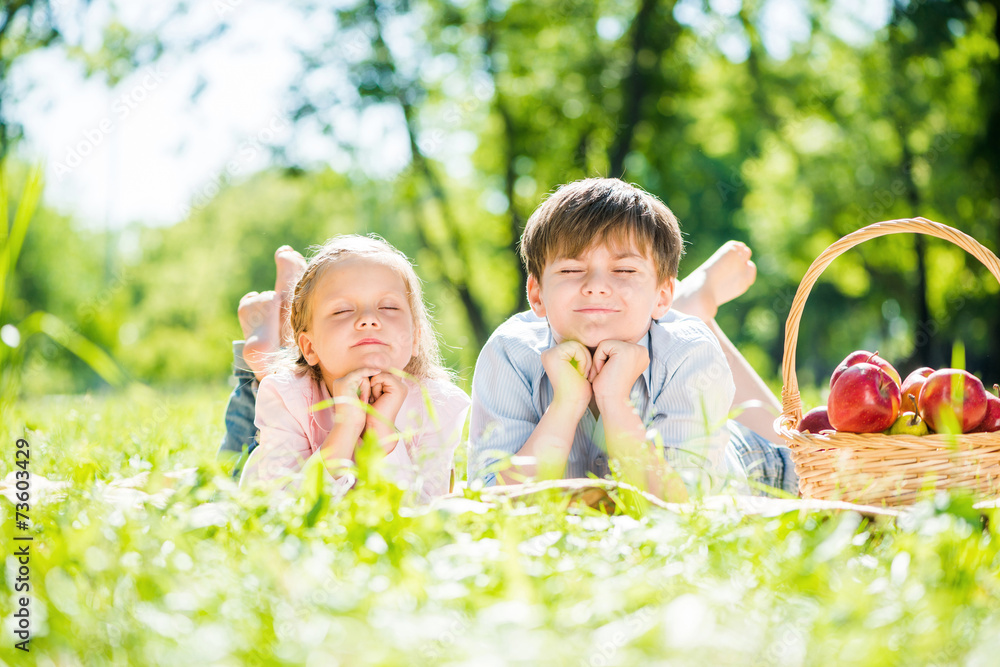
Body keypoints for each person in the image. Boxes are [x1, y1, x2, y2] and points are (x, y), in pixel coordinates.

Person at [467, 178, 796, 499]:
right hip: (655, 327)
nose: (596, 285)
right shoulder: (509, 353)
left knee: (799, 454)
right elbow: (496, 504)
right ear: (536, 295)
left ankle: (691, 308)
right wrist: (566, 404)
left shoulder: (688, 352)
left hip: (746, 463)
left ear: (661, 295)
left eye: (624, 270)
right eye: (570, 270)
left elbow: (681, 508)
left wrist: (615, 402)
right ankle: (687, 305)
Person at [221, 235, 470, 501]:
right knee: (223, 491)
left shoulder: (439, 403)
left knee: (266, 374)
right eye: (342, 311)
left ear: (416, 338)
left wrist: (381, 431)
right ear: (309, 347)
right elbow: (280, 507)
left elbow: (421, 510)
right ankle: (269, 346)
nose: (369, 319)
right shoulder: (285, 394)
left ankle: (276, 338)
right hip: (261, 469)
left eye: (388, 306)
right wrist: (345, 426)